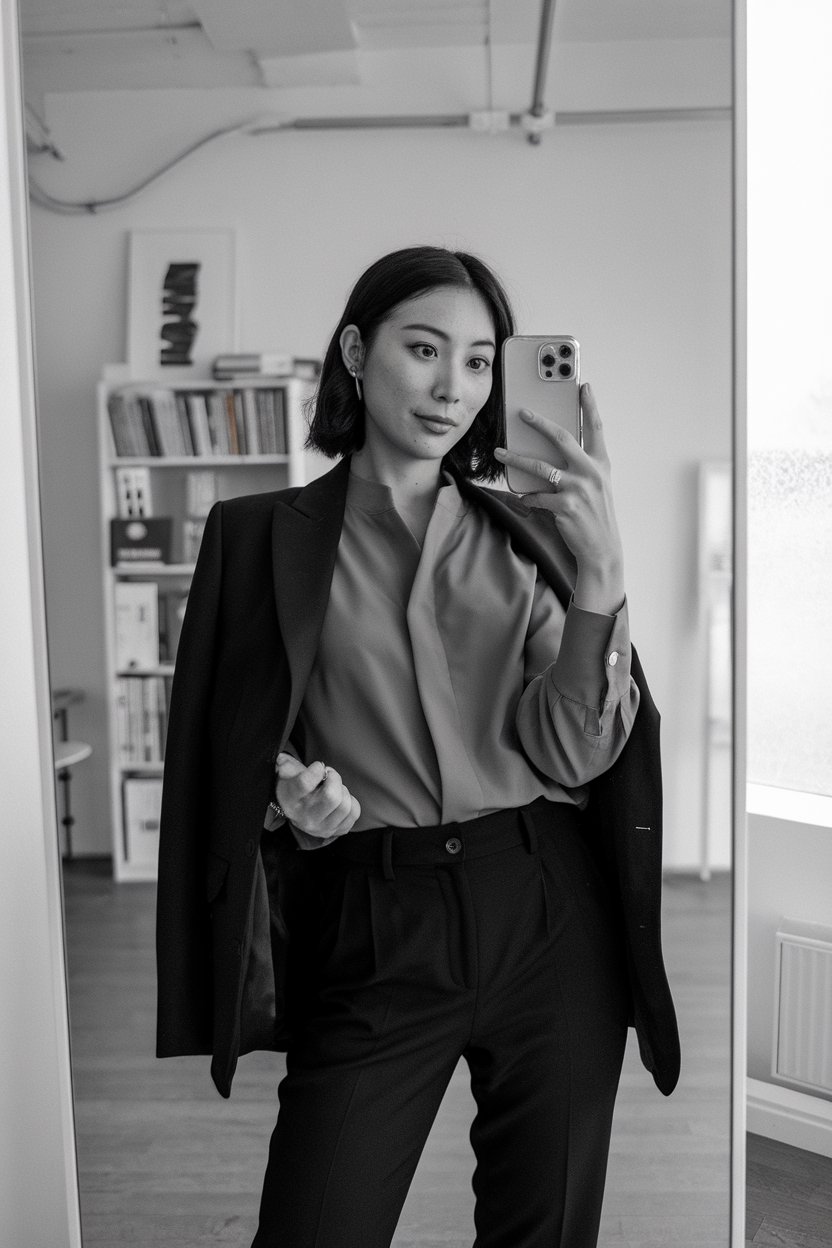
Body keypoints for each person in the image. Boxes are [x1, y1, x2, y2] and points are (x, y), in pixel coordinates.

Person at [155, 245, 680, 1248]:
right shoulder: (256, 536)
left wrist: (602, 575)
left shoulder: (528, 537)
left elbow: (572, 753)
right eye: (424, 349)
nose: (453, 387)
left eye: (479, 361)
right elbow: (234, 739)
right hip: (373, 915)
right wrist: (285, 794)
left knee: (545, 1232)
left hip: (546, 909)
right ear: (357, 351)